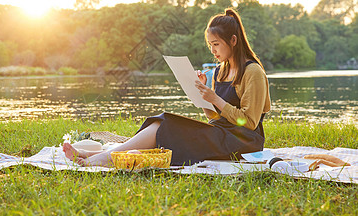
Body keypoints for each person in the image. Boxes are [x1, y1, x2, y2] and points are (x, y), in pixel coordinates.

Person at [63, 8, 271, 166]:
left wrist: (215, 98)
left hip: (245, 142)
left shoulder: (252, 72)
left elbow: (250, 122)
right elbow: (214, 119)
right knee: (163, 124)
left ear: (233, 40)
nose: (213, 50)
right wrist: (202, 96)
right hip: (222, 133)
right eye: (210, 45)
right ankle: (96, 156)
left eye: (216, 44)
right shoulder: (219, 71)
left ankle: (99, 159)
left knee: (167, 126)